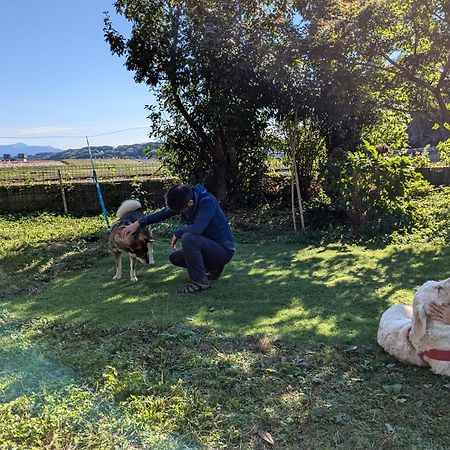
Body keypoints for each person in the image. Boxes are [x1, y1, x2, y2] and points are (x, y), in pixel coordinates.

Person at [122, 184, 235, 294]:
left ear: (190, 203)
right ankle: (214, 268)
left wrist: (178, 233)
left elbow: (197, 229)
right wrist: (137, 224)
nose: (179, 213)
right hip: (209, 248)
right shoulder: (184, 198)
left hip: (223, 249)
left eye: (180, 211)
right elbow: (162, 214)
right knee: (175, 257)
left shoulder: (207, 202)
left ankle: (200, 282)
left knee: (189, 237)